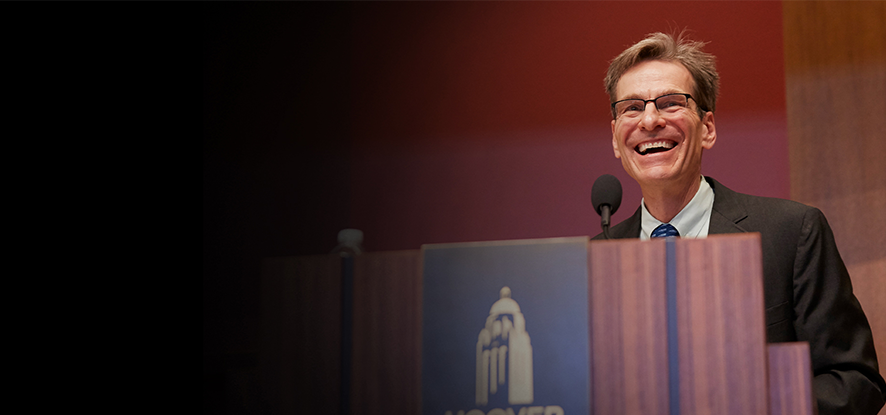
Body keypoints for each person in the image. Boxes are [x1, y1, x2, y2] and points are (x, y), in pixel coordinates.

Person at [592, 32, 885, 414]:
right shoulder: (594, 261)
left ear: (708, 128)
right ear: (616, 138)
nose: (650, 120)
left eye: (670, 103)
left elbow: (855, 380)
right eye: (631, 108)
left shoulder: (791, 232)